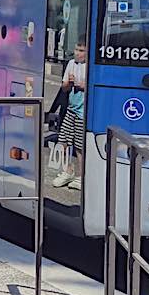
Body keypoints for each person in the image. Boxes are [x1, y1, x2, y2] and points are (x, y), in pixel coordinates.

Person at [52, 40, 87, 191]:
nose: (78, 53)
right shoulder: (71, 64)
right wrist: (69, 84)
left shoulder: (90, 67)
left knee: (79, 146)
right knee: (63, 141)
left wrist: (83, 85)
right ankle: (68, 171)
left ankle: (81, 176)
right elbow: (64, 88)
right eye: (76, 49)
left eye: (81, 50)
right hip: (71, 109)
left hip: (82, 111)